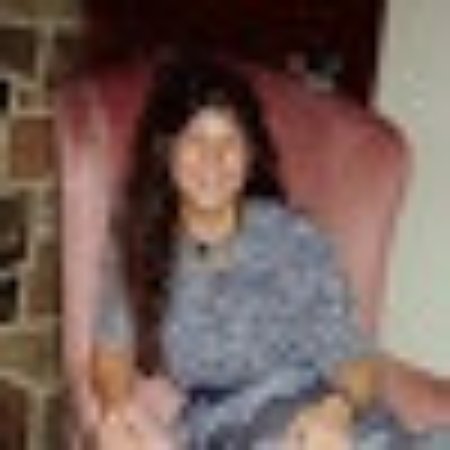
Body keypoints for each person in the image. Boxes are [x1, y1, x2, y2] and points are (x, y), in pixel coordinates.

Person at [87, 52, 430, 449]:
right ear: (167, 150)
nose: (213, 160)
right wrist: (117, 412)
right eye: (195, 140)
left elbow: (356, 360)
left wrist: (337, 410)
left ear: (250, 154)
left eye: (229, 141)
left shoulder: (293, 238)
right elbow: (112, 352)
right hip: (230, 427)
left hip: (325, 413)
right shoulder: (141, 241)